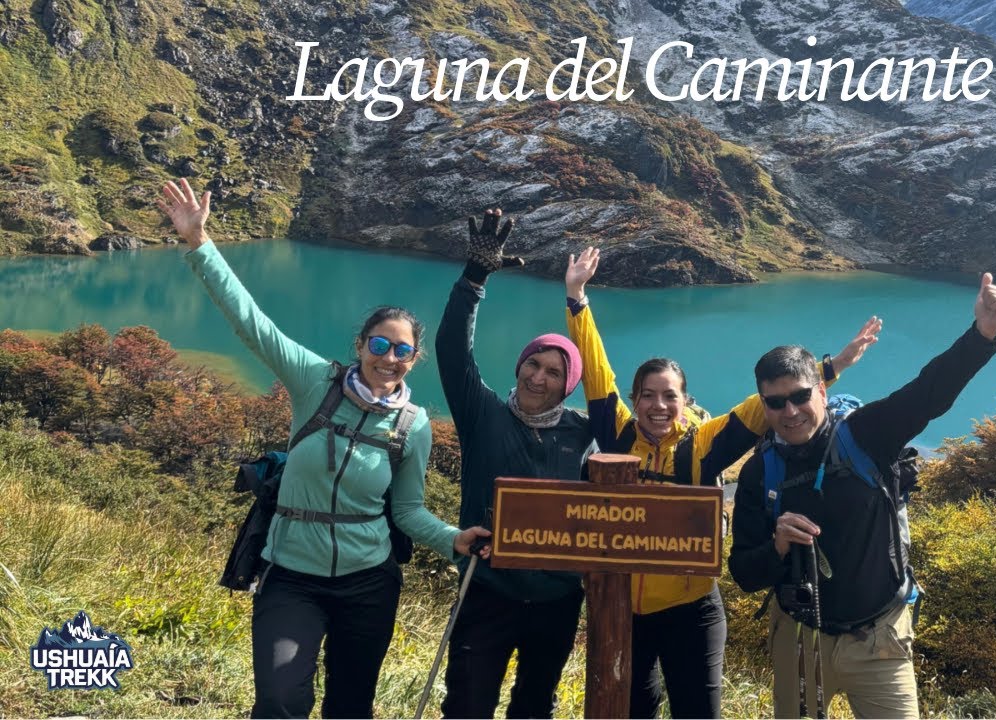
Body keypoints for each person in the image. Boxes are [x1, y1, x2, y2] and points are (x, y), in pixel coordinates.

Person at [157, 178, 491, 719]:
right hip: (291, 574)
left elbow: (406, 510)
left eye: (401, 350)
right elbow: (253, 326)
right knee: (281, 698)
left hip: (369, 583)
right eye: (379, 344)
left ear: (414, 359)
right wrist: (200, 244)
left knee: (350, 707)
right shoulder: (317, 383)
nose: (388, 357)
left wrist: (455, 539)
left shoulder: (412, 424)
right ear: (360, 345)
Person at [562, 246, 882, 718]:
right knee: (634, 708)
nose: (657, 405)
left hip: (692, 608)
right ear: (632, 398)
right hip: (623, 609)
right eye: (647, 395)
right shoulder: (617, 430)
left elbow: (770, 405)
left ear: (684, 399)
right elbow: (595, 364)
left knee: (699, 712)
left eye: (669, 396)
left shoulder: (701, 444)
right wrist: (577, 298)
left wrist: (833, 367)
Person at [728, 272, 996, 719]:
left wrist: (983, 335)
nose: (790, 411)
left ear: (822, 389)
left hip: (879, 637)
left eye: (801, 396)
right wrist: (778, 546)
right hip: (800, 641)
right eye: (775, 402)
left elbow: (927, 394)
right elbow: (744, 572)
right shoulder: (759, 470)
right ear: (763, 405)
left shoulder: (864, 436)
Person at [435, 208, 598, 719]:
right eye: (532, 364)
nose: (538, 377)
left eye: (554, 371)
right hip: (486, 588)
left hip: (556, 598)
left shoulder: (585, 433)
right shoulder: (483, 413)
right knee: (467, 702)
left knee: (534, 707)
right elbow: (451, 351)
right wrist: (474, 278)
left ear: (568, 383)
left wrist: (580, 302)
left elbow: (613, 394)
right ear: (519, 365)